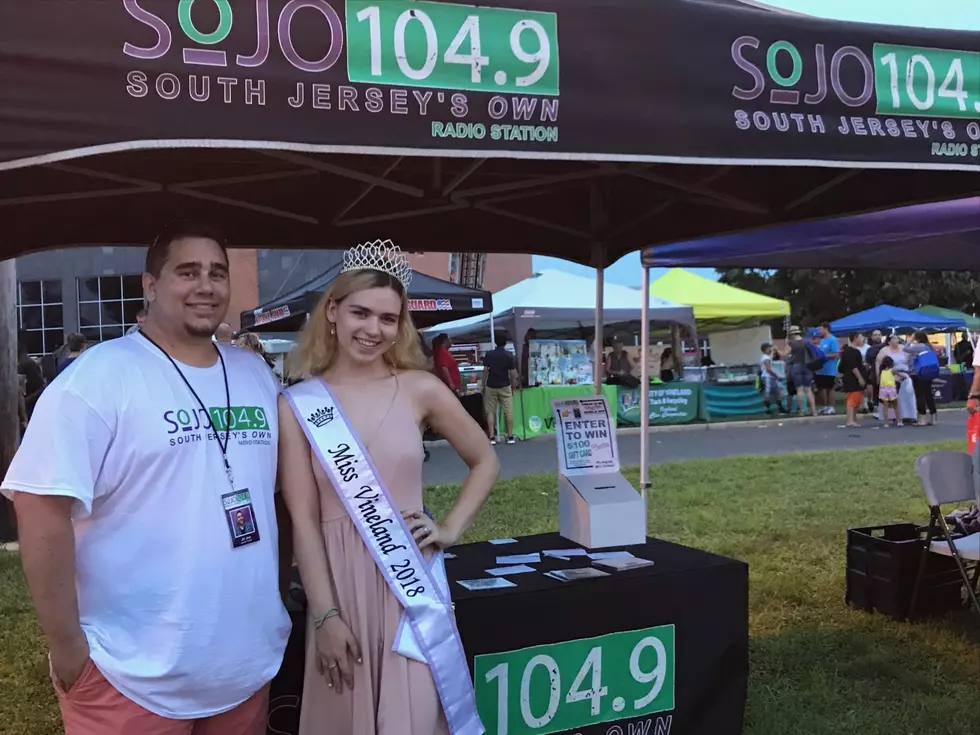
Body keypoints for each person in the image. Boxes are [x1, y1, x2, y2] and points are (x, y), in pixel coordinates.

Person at [2, 221, 291, 734]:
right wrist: (69, 648)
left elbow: (279, 495)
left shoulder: (253, 375)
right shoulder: (97, 379)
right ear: (150, 285)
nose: (206, 285)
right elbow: (39, 505)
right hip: (129, 676)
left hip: (243, 668)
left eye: (217, 273)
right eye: (187, 272)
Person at [278, 242, 498, 735]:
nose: (373, 329)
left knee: (414, 718)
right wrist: (325, 617)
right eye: (360, 312)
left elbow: (484, 459)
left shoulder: (421, 388)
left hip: (408, 589)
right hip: (339, 589)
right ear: (332, 311)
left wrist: (450, 527)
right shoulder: (298, 404)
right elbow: (305, 525)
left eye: (388, 318)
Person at [482, 332, 519, 445]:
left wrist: (483, 385)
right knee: (508, 411)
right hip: (505, 386)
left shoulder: (489, 354)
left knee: (490, 412)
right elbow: (513, 373)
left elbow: (485, 371)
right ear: (506, 342)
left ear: (495, 342)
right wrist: (513, 386)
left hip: (491, 385)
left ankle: (492, 437)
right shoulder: (509, 355)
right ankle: (510, 436)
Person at [905, 331, 939, 426]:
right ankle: (933, 417)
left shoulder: (919, 346)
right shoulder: (928, 346)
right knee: (928, 395)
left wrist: (910, 340)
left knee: (920, 395)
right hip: (928, 372)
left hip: (918, 372)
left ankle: (922, 418)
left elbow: (905, 348)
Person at [838, 334, 867, 428]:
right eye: (861, 337)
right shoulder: (852, 352)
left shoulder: (847, 351)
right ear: (855, 338)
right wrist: (860, 378)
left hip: (849, 378)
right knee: (853, 400)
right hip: (853, 379)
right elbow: (854, 367)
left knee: (856, 399)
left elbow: (841, 367)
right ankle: (850, 420)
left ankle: (853, 419)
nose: (862, 339)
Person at [17, 336, 46, 419]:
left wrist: (26, 401)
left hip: (29, 408)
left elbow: (41, 387)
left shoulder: (29, 364)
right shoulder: (17, 364)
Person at [814, 323, 840, 415]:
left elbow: (836, 354)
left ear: (826, 329)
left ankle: (831, 407)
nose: (819, 332)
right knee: (821, 388)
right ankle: (825, 406)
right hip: (820, 369)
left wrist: (824, 356)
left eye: (820, 330)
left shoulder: (832, 340)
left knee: (830, 388)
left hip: (829, 369)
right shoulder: (822, 340)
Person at [759, 342, 784, 415]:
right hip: (768, 377)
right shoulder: (766, 358)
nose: (770, 349)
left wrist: (774, 349)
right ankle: (769, 409)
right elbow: (768, 369)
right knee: (769, 393)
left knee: (777, 392)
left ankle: (779, 408)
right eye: (769, 348)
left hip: (769, 377)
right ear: (765, 349)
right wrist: (776, 375)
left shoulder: (765, 357)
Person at [865, 330, 886, 416]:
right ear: (872, 337)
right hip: (874, 372)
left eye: (879, 335)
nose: (877, 337)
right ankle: (877, 407)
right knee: (876, 390)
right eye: (875, 335)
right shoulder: (870, 349)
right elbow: (868, 361)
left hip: (886, 372)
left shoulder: (885, 347)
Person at [877, 356, 902, 426]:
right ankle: (899, 420)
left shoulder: (881, 371)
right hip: (891, 389)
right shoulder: (892, 370)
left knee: (885, 407)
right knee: (896, 405)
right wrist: (905, 377)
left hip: (883, 389)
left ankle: (886, 422)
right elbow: (900, 375)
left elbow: (878, 381)